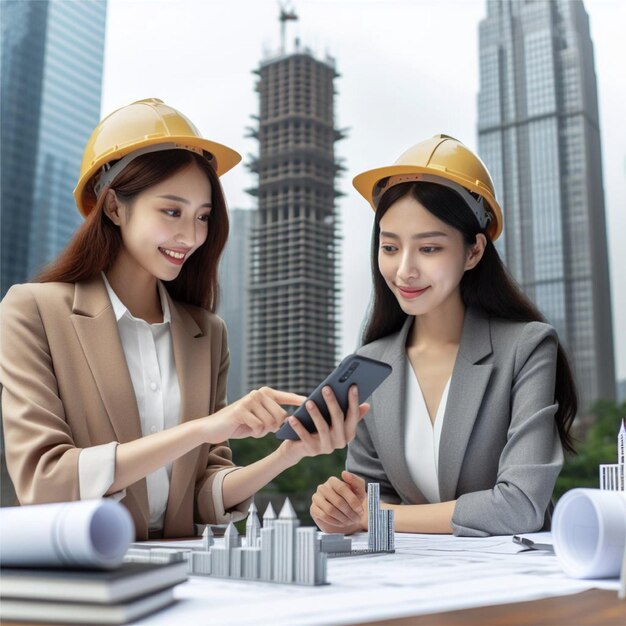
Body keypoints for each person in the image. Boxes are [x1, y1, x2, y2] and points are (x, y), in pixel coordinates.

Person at [0, 98, 368, 539]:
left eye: (203, 217)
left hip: (182, 573)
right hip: (84, 573)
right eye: (172, 211)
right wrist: (203, 429)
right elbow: (45, 481)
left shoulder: (206, 333)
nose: (191, 236)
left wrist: (288, 453)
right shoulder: (33, 312)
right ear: (115, 207)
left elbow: (202, 492)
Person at [310, 134, 577, 537]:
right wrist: (338, 508)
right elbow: (365, 500)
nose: (404, 270)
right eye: (390, 247)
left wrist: (375, 516)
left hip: (517, 581)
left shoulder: (527, 347)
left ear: (473, 252)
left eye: (429, 249)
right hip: (412, 584)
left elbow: (520, 506)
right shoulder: (370, 363)